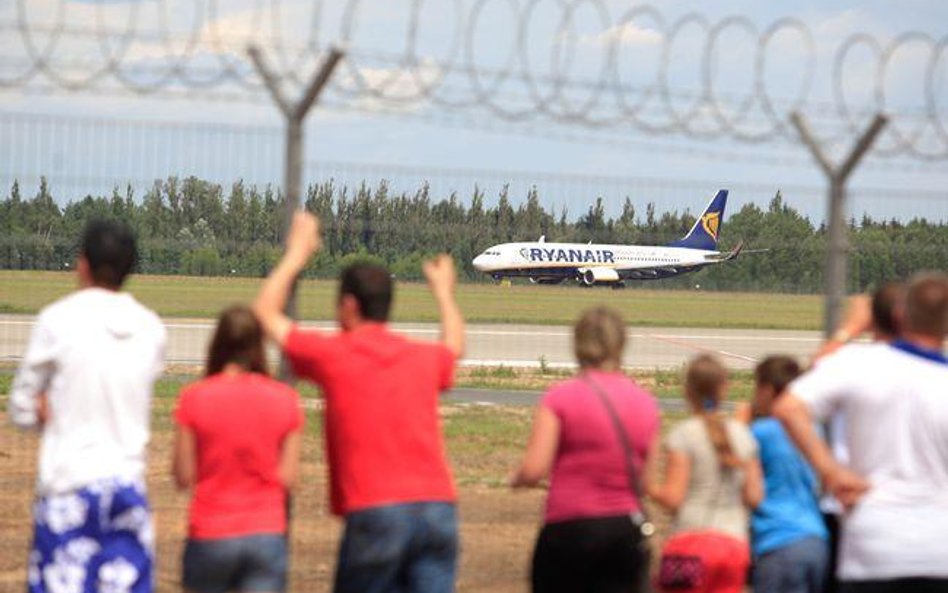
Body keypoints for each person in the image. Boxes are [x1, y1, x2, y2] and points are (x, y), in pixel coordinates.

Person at [253, 211, 464, 593]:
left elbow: (265, 314)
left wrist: (296, 255)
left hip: (376, 508)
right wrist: (445, 294)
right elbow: (454, 347)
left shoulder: (336, 354)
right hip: (437, 506)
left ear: (349, 306)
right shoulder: (419, 356)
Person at [10, 219, 166, 593]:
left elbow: (21, 406)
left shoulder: (57, 321)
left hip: (68, 487)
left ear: (82, 263)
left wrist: (48, 413)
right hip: (127, 489)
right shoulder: (150, 329)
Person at [775, 272, 948, 593]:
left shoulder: (859, 363)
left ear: (900, 314)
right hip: (939, 552)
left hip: (873, 545)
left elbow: (788, 406)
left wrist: (831, 472)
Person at [510, 306, 660, 593]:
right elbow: (646, 482)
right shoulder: (645, 402)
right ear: (621, 344)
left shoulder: (560, 397)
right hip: (623, 530)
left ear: (577, 344)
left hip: (568, 527)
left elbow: (534, 469)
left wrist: (515, 479)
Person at [172, 305, 304, 593]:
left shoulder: (194, 397)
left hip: (211, 530)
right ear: (259, 345)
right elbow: (288, 478)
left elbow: (183, 476)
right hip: (265, 531)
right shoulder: (285, 399)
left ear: (218, 344)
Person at [646, 354, 763, 593]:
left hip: (689, 542)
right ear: (725, 388)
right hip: (734, 544)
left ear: (687, 391)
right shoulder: (743, 435)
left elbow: (673, 498)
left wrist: (648, 486)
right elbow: (754, 496)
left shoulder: (684, 434)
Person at [749, 356, 828, 593]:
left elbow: (750, 491)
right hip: (816, 540)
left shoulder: (760, 432)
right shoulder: (815, 430)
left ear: (768, 389)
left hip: (778, 539)